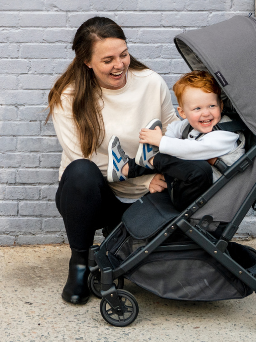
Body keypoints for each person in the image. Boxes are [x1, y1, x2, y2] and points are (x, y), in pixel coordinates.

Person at [47, 17, 180, 305]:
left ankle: (124, 244)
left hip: (148, 197)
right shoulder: (68, 97)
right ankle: (79, 263)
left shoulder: (150, 82)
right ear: (87, 61)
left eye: (124, 54)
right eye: (108, 60)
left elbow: (171, 130)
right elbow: (84, 159)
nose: (119, 65)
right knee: (80, 171)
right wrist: (144, 179)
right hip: (96, 199)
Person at [106, 70, 245, 210]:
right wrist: (164, 139)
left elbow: (192, 149)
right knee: (172, 149)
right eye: (197, 108)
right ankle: (124, 168)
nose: (206, 113)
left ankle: (149, 159)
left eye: (212, 106)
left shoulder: (226, 135)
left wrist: (161, 142)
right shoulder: (190, 125)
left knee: (197, 167)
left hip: (204, 195)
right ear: (183, 112)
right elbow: (174, 128)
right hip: (181, 184)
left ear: (221, 106)